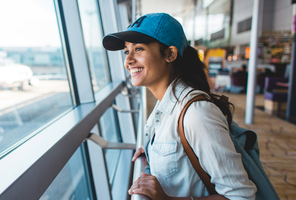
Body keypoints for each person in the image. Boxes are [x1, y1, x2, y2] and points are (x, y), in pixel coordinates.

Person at [103, 13, 256, 199]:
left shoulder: (196, 114)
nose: (128, 60)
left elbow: (241, 196)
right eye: (127, 51)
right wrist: (152, 148)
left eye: (139, 49)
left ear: (170, 54)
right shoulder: (164, 104)